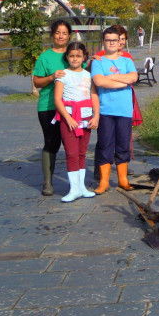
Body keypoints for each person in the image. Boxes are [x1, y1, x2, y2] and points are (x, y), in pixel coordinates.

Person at [91, 26, 138, 193]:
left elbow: (133, 77)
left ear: (120, 42)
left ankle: (122, 179)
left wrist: (111, 77)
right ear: (103, 42)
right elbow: (99, 82)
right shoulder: (98, 61)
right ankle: (104, 181)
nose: (111, 43)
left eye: (114, 40)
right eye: (108, 40)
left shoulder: (126, 61)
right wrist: (122, 82)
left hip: (124, 110)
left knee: (123, 144)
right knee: (105, 145)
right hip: (105, 111)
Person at [53, 42, 99, 202]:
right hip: (69, 119)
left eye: (78, 56)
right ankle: (74, 188)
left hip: (86, 118)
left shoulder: (88, 75)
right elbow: (57, 99)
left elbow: (93, 95)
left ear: (84, 57)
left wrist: (96, 116)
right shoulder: (62, 75)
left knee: (81, 153)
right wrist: (68, 118)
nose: (75, 59)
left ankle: (81, 187)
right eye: (71, 56)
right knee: (71, 153)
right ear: (67, 57)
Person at [32, 20, 72, 196]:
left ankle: (76, 183)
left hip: (72, 106)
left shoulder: (75, 54)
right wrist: (52, 77)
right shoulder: (45, 57)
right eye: (57, 33)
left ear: (69, 35)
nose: (61, 36)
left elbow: (86, 74)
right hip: (48, 106)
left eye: (64, 33)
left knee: (72, 145)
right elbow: (37, 81)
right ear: (52, 35)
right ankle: (47, 183)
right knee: (51, 142)